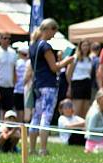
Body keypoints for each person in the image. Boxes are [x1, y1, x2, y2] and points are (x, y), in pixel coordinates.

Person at [29, 18, 75, 155]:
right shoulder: (46, 46)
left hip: (37, 85)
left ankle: (31, 149)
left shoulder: (33, 45)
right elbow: (54, 67)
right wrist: (66, 61)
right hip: (48, 85)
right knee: (46, 116)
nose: (54, 34)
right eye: (53, 30)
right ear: (47, 29)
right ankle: (43, 149)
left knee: (36, 117)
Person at [66, 40, 95, 117]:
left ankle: (83, 127)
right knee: (77, 109)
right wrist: (69, 86)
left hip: (87, 83)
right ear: (80, 47)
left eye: (87, 45)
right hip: (77, 83)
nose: (85, 47)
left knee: (86, 109)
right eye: (84, 45)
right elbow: (69, 73)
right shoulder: (75, 58)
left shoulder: (90, 59)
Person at [0, 32, 17, 115]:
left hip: (10, 86)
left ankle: (6, 128)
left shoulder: (13, 52)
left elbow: (14, 69)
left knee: (8, 112)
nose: (7, 40)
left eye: (9, 38)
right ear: (0, 39)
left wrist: (14, 83)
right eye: (5, 38)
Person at [13, 46, 28, 113]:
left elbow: (14, 76)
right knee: (22, 110)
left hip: (17, 89)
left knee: (17, 110)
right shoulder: (29, 63)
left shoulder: (17, 63)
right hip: (25, 90)